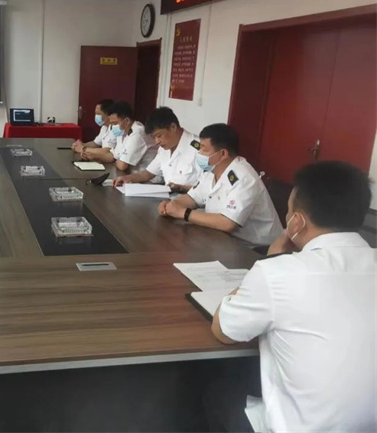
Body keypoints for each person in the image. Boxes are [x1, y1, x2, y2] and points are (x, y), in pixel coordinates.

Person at [208, 161, 376, 432]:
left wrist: (272, 260)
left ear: (297, 221)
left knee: (215, 392)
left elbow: (224, 330)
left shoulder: (277, 272)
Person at [159, 124, 281, 246]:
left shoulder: (244, 177)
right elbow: (192, 198)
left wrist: (183, 213)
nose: (199, 153)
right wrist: (171, 205)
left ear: (223, 154)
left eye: (204, 150)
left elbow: (227, 223)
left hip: (256, 248)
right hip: (224, 239)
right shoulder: (212, 171)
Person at [113, 107, 200, 192]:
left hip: (189, 200)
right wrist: (127, 178)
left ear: (173, 127)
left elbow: (205, 188)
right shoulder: (164, 148)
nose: (156, 142)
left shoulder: (199, 148)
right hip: (168, 198)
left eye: (159, 136)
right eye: (154, 138)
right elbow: (148, 173)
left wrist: (180, 188)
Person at [82, 101, 153, 171]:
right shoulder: (122, 132)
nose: (113, 127)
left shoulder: (137, 133)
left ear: (127, 121)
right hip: (129, 173)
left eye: (115, 123)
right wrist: (94, 156)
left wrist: (117, 160)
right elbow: (113, 156)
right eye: (111, 123)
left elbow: (122, 166)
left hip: (145, 176)